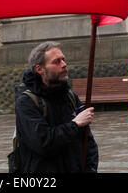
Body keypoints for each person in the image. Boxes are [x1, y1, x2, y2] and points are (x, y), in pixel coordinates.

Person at [15, 41, 98, 173]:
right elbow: (43, 143)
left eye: (64, 60)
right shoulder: (26, 103)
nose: (64, 65)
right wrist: (74, 124)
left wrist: (91, 169)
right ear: (39, 69)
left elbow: (88, 142)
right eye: (56, 62)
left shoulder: (71, 97)